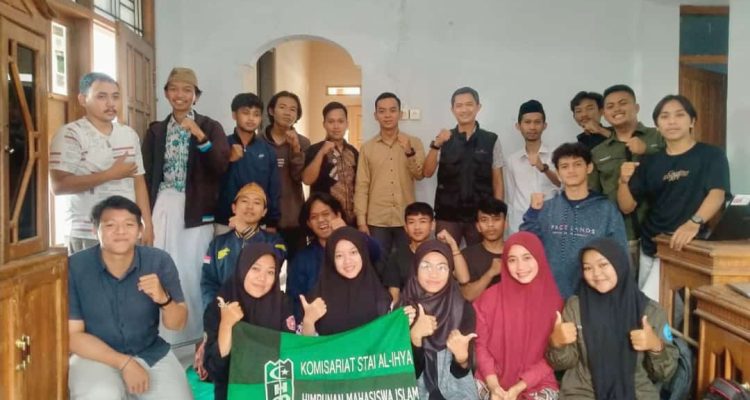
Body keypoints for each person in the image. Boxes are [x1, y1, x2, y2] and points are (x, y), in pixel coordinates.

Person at [67, 196, 192, 400]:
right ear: (94, 230)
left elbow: (177, 324)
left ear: (140, 230)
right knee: (101, 395)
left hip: (149, 352)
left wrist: (164, 298)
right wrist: (124, 363)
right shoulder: (75, 267)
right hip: (93, 356)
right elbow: (73, 336)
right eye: (110, 225)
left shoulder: (158, 261)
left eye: (129, 224)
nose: (120, 231)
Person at [142, 67, 229, 346]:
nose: (180, 95)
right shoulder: (156, 130)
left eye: (187, 90)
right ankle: (164, 334)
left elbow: (221, 165)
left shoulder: (210, 126)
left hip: (197, 209)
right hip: (163, 205)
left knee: (193, 269)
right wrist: (145, 218)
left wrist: (201, 137)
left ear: (196, 96)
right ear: (166, 93)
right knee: (163, 264)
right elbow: (146, 175)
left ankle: (195, 337)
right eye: (174, 89)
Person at [617, 94, 730, 300]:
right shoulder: (650, 162)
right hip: (652, 244)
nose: (672, 121)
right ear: (657, 126)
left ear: (692, 121)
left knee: (651, 305)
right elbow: (627, 206)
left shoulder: (711, 155)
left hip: (688, 245)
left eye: (679, 115)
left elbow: (717, 194)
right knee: (658, 308)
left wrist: (693, 223)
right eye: (665, 116)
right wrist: (623, 181)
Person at [546, 238, 678, 399]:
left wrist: (656, 346)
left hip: (636, 392)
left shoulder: (650, 311)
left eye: (603, 265)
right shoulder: (576, 306)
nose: (596, 274)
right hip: (583, 391)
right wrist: (557, 344)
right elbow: (562, 364)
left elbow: (665, 374)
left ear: (619, 264)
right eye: (588, 268)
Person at [50, 72, 153, 254]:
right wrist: (110, 174)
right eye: (101, 97)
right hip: (87, 232)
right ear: (83, 99)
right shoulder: (70, 134)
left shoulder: (129, 135)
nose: (111, 103)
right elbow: (58, 186)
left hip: (127, 231)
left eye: (115, 97)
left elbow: (138, 182)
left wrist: (147, 224)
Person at [521, 143, 627, 298]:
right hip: (549, 294)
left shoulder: (607, 210)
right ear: (558, 173)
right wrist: (532, 212)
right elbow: (526, 244)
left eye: (577, 164)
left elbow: (620, 255)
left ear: (589, 167)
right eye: (564, 166)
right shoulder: (547, 208)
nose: (571, 170)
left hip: (592, 297)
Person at [474, 232, 563, 400]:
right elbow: (480, 346)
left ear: (539, 257)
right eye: (512, 260)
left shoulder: (555, 303)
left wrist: (519, 387)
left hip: (537, 383)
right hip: (489, 379)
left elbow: (551, 358)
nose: (520, 267)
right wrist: (494, 387)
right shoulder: (488, 298)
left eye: (527, 257)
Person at [203, 243, 296, 400]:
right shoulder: (219, 306)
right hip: (233, 393)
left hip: (273, 392)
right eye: (255, 268)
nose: (262, 278)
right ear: (242, 268)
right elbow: (214, 370)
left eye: (270, 272)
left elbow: (291, 355)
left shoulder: (282, 304)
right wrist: (226, 325)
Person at [589, 84, 665, 275]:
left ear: (636, 107)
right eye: (610, 106)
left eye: (623, 103)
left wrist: (647, 151)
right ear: (604, 114)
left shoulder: (659, 138)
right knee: (624, 289)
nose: (617, 109)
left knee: (658, 291)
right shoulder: (598, 152)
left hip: (660, 233)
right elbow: (594, 196)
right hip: (621, 235)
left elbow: (677, 167)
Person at [423, 87, 504, 246]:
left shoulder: (491, 139)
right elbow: (427, 172)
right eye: (459, 106)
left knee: (480, 258)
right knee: (445, 257)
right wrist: (436, 144)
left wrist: (497, 213)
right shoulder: (444, 138)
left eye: (469, 104)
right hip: (447, 215)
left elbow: (498, 182)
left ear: (478, 107)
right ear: (452, 110)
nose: (464, 109)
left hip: (481, 216)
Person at [401, 240, 479, 399]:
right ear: (415, 268)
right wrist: (415, 337)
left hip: (453, 390)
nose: (434, 274)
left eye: (442, 267)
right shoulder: (402, 311)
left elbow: (461, 373)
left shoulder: (463, 309)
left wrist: (462, 358)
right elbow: (401, 375)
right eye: (426, 266)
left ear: (450, 271)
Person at [355, 92, 425, 258]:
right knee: (378, 263)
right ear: (375, 115)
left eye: (392, 110)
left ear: (400, 114)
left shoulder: (414, 142)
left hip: (406, 217)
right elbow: (362, 185)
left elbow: (420, 175)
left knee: (407, 263)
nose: (387, 115)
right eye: (382, 111)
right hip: (377, 219)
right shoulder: (367, 148)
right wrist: (361, 220)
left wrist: (409, 152)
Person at [201, 183, 286, 310]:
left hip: (261, 313)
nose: (250, 206)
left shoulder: (275, 241)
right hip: (226, 312)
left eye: (257, 202)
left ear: (264, 212)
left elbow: (278, 259)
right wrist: (217, 309)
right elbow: (208, 280)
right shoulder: (217, 243)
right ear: (234, 208)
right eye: (245, 201)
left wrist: (247, 232)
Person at [299, 226, 391, 336]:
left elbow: (390, 338)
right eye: (339, 256)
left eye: (353, 252)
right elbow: (305, 344)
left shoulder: (381, 297)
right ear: (331, 260)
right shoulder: (316, 300)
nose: (347, 261)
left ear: (363, 253)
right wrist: (308, 321)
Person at [215, 93, 280, 233]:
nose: (251, 118)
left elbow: (273, 189)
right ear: (234, 115)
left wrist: (272, 222)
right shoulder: (222, 145)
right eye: (245, 113)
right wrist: (228, 159)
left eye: (256, 114)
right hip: (225, 222)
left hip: (258, 223)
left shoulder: (268, 151)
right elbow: (210, 179)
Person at [381, 202, 470, 304]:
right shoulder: (396, 256)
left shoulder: (441, 252)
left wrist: (453, 245)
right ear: (405, 227)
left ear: (432, 225)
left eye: (422, 221)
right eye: (411, 222)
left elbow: (464, 279)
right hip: (410, 309)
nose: (417, 227)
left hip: (443, 307)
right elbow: (394, 295)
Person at [263, 90, 312, 258]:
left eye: (293, 109)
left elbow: (300, 177)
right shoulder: (259, 141)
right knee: (268, 266)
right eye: (282, 107)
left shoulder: (304, 142)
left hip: (294, 218)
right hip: (266, 220)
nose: (287, 113)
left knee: (298, 269)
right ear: (271, 111)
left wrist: (296, 149)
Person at [505, 100, 560, 233]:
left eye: (537, 122)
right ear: (518, 126)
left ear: (544, 125)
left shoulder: (557, 154)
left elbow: (562, 184)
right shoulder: (512, 160)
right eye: (527, 122)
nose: (532, 127)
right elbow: (511, 197)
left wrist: (544, 168)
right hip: (521, 223)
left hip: (551, 222)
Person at [302, 101, 359, 225]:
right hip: (325, 220)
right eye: (331, 121)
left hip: (351, 220)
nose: (336, 126)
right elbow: (307, 180)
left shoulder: (353, 152)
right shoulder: (314, 150)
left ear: (347, 124)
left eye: (340, 121)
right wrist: (321, 153)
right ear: (324, 124)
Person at [460, 198, 508, 302]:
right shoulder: (466, 255)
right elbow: (467, 295)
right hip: (476, 312)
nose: (490, 225)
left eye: (496, 219)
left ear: (506, 223)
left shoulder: (515, 253)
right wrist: (491, 273)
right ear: (478, 226)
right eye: (484, 220)